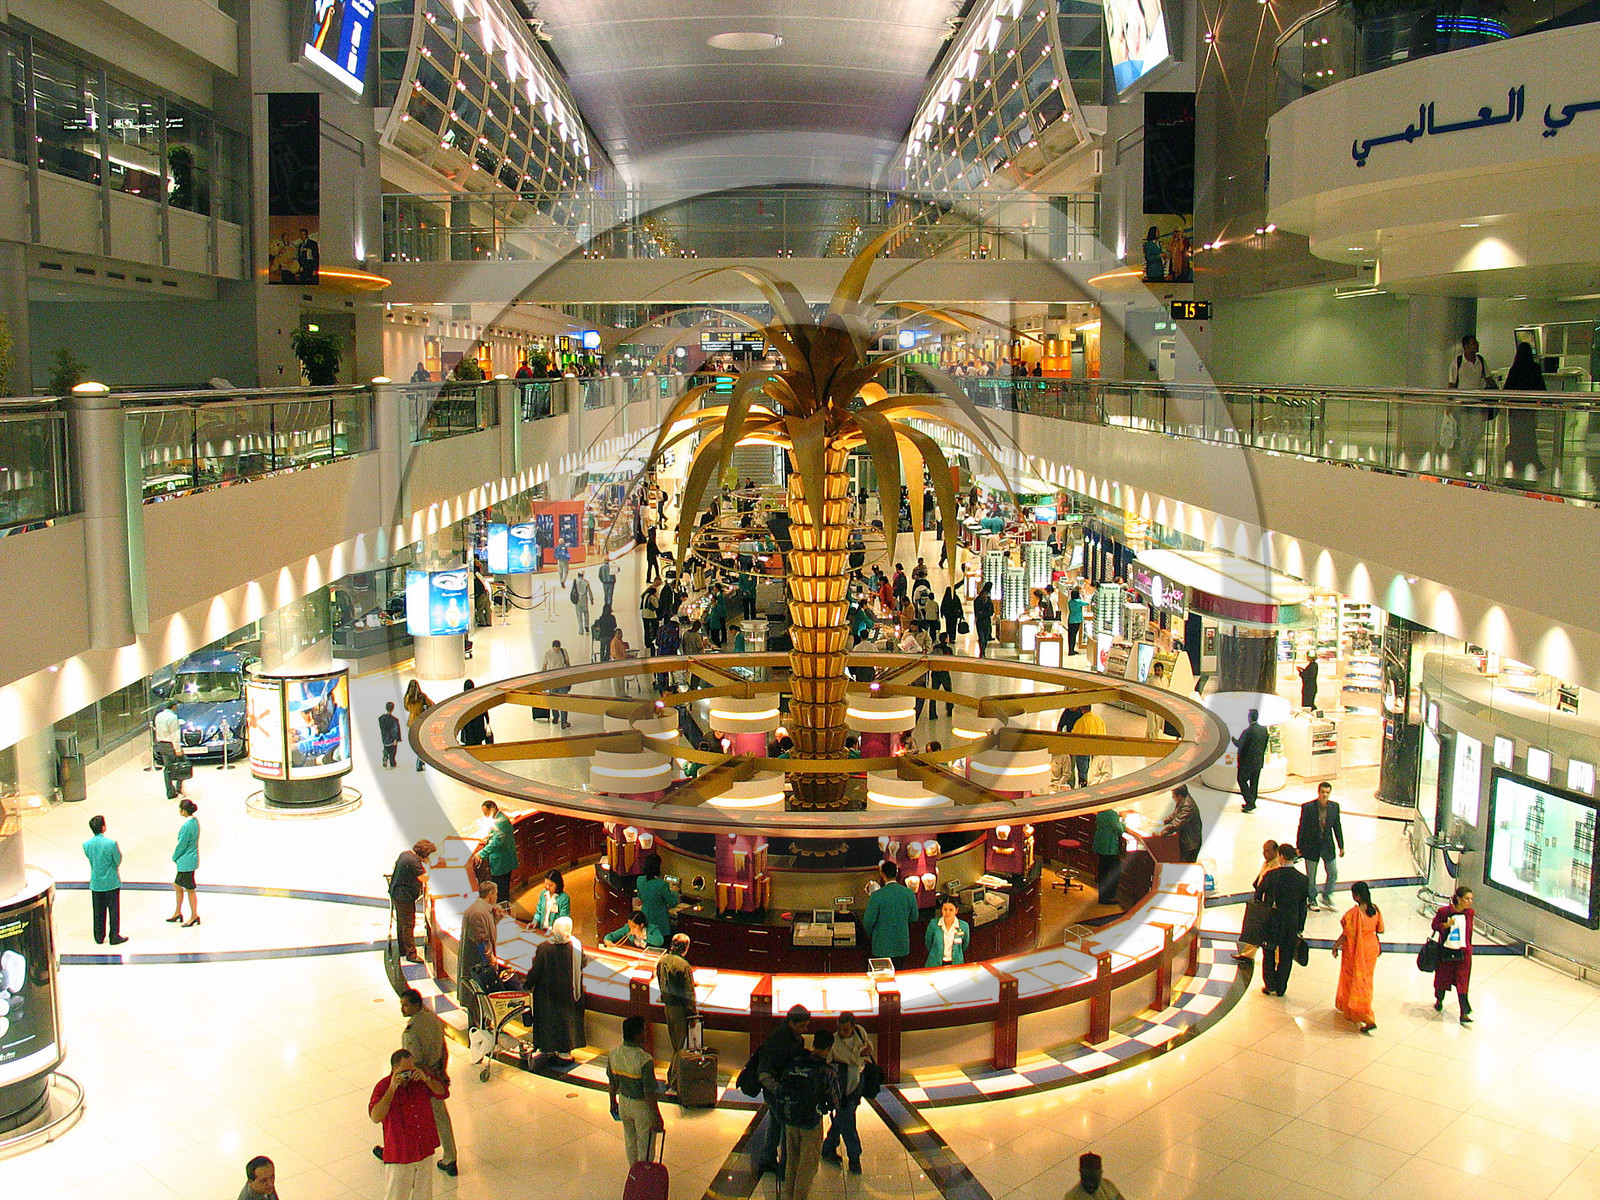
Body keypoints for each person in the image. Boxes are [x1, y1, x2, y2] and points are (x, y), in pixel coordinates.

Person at [368, 1048, 449, 1198]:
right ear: (394, 1069)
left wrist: (427, 1080)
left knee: (424, 1195)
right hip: (401, 1154)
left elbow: (442, 1093)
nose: (408, 1075)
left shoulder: (420, 1080)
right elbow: (375, 1116)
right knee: (397, 1195)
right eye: (404, 1071)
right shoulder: (383, 1087)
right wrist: (392, 1088)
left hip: (423, 1148)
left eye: (411, 1069)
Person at [398, 987, 457, 1176]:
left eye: (406, 1005)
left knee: (404, 1116)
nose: (402, 1008)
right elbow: (443, 1048)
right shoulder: (433, 1019)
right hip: (436, 1074)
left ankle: (399, 1151)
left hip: (421, 1080)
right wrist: (441, 1073)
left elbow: (413, 1062)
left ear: (416, 1005)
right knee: (441, 1117)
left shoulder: (412, 1032)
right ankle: (450, 1156)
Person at [777, 1026, 841, 1200]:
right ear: (829, 1049)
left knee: (792, 1162)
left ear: (813, 1043)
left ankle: (787, 1197)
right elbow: (836, 1101)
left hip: (791, 1119)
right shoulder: (828, 1072)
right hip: (811, 1123)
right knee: (808, 1166)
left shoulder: (796, 1063)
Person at [755, 1004, 813, 1178]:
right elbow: (765, 1072)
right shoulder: (778, 1041)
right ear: (791, 1024)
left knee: (775, 1124)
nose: (805, 1030)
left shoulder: (795, 1039)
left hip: (780, 1090)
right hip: (776, 1091)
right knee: (786, 1128)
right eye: (802, 1026)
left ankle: (767, 1160)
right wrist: (779, 1090)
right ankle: (784, 1169)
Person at [525, 915, 585, 1060]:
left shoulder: (544, 948)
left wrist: (527, 985)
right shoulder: (576, 947)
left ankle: (547, 1049)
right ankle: (565, 1053)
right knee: (566, 1025)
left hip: (546, 997)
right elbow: (583, 963)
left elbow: (535, 971)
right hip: (567, 996)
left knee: (548, 1023)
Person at [820, 1012, 873, 1174]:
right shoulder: (834, 1043)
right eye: (839, 1029)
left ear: (852, 1027)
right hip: (842, 1087)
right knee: (848, 1121)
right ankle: (854, 1158)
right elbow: (831, 1061)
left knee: (844, 1117)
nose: (841, 1032)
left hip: (857, 1082)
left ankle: (828, 1146)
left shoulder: (860, 1031)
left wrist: (867, 1049)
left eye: (845, 1029)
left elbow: (866, 1045)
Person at [607, 1014, 663, 1165]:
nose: (646, 1034)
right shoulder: (644, 1059)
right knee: (646, 1143)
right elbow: (649, 1092)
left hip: (624, 1103)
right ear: (638, 1035)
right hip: (642, 1107)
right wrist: (657, 1115)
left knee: (630, 1141)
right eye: (644, 1031)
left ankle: (633, 1172)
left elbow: (612, 1083)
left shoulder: (614, 1054)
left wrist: (613, 1102)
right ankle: (644, 1174)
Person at [1257, 843, 1308, 997]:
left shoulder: (1272, 875)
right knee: (1286, 955)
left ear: (1281, 856)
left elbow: (1258, 895)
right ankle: (1281, 987)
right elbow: (1302, 906)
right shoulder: (1302, 879)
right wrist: (1300, 926)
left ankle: (1269, 984)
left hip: (1273, 919)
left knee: (1269, 951)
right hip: (1291, 921)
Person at [1333, 881, 1384, 1033]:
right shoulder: (1375, 909)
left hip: (1355, 951)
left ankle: (1365, 1015)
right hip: (1371, 949)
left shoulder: (1352, 914)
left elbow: (1346, 935)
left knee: (1353, 979)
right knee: (1366, 980)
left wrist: (1335, 946)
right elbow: (1380, 930)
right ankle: (1355, 1010)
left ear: (1357, 896)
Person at [1447, 333, 1495, 472]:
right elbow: (1451, 383)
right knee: (1464, 433)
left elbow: (1488, 378)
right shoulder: (1457, 362)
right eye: (1474, 344)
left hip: (1476, 402)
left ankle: (1469, 453)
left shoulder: (1480, 361)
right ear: (1466, 346)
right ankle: (1465, 460)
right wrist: (1449, 403)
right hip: (1461, 403)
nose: (1477, 346)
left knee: (1478, 432)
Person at [656, 932, 696, 1095]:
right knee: (681, 1046)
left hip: (668, 1006)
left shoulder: (662, 960)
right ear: (685, 948)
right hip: (680, 1009)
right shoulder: (683, 965)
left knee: (676, 1044)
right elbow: (689, 993)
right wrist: (693, 1013)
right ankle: (674, 1083)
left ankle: (671, 1076)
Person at [1296, 781, 1345, 910]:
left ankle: (1327, 895)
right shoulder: (1308, 807)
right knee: (1311, 876)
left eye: (1327, 793)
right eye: (1322, 792)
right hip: (1311, 846)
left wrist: (1341, 845)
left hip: (1328, 846)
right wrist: (1299, 847)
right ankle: (1311, 899)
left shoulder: (1334, 807)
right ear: (1318, 792)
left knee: (1333, 872)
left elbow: (1337, 827)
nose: (1324, 795)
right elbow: (1302, 828)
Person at [1503, 339, 1547, 477]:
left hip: (1515, 410)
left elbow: (1507, 389)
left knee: (1516, 436)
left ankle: (1517, 461)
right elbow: (1541, 388)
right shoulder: (1534, 368)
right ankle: (1530, 461)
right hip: (1529, 409)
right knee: (1528, 436)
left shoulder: (1515, 369)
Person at [1432, 885, 1475, 1023]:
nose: (1469, 902)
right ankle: (1439, 999)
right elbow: (1435, 925)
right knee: (1443, 978)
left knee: (1462, 982)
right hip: (1447, 951)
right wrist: (1445, 925)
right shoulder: (1444, 912)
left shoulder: (1470, 913)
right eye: (1467, 899)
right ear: (1458, 899)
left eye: (1471, 899)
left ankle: (1464, 1012)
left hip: (1464, 953)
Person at [390, 839, 436, 964]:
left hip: (396, 892)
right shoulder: (414, 862)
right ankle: (411, 954)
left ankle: (403, 949)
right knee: (408, 924)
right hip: (404, 896)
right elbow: (424, 878)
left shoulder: (406, 854)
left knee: (402, 922)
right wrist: (428, 864)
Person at [862, 860, 917, 965]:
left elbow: (868, 921)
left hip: (881, 946)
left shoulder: (876, 896)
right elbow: (914, 917)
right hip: (901, 944)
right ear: (896, 873)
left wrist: (873, 935)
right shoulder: (909, 893)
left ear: (882, 873)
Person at [83, 815, 127, 946]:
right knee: (113, 910)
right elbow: (117, 860)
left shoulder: (86, 845)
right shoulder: (111, 843)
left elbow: (90, 859)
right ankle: (114, 935)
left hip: (96, 882)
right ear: (103, 827)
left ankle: (99, 936)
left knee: (98, 910)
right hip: (111, 881)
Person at [1233, 839, 1280, 962]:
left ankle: (1277, 960)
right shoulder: (1266, 864)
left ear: (1276, 851)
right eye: (1264, 851)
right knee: (1256, 929)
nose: (1265, 854)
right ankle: (1248, 954)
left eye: (1268, 851)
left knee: (1271, 934)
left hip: (1270, 903)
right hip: (1261, 901)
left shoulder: (1277, 867)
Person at [458, 880, 498, 1004]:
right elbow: (482, 940)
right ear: (490, 894)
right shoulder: (478, 912)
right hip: (476, 966)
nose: (497, 897)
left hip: (479, 964)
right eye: (496, 894)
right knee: (476, 1002)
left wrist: (497, 916)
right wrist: (491, 958)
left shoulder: (482, 909)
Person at [475, 800, 518, 911]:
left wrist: (481, 853)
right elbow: (494, 837)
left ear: (492, 809)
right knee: (501, 888)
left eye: (486, 813)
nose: (485, 815)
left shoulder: (501, 822)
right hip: (501, 862)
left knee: (501, 891)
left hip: (502, 863)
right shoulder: (498, 818)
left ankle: (502, 912)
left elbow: (497, 842)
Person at [635, 852, 682, 946]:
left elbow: (640, 896)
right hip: (661, 923)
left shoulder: (640, 880)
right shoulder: (662, 884)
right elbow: (672, 903)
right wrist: (675, 892)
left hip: (646, 919)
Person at [166, 798, 200, 927]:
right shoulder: (195, 822)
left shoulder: (186, 826)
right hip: (191, 860)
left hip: (186, 861)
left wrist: (175, 856)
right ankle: (178, 912)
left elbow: (182, 844)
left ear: (184, 811)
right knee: (178, 885)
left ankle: (193, 916)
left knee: (188, 888)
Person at [1233, 708, 1269, 812]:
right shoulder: (1263, 730)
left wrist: (1232, 739)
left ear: (1250, 718)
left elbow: (1239, 744)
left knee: (1242, 780)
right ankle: (1252, 800)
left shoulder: (1247, 731)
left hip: (1246, 763)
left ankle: (1249, 802)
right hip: (1258, 761)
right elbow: (1265, 744)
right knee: (1254, 782)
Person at [1158, 784, 1203, 863]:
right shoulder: (1183, 800)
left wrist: (1162, 833)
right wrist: (1162, 821)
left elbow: (1177, 823)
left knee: (1185, 866)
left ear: (1179, 796)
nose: (1172, 798)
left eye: (1173, 796)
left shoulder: (1188, 806)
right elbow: (1175, 814)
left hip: (1190, 844)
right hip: (1185, 840)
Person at [153, 699, 186, 799]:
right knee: (181, 766)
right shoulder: (172, 717)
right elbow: (174, 734)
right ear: (174, 706)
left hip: (161, 744)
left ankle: (170, 791)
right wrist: (178, 749)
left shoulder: (158, 716)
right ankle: (178, 789)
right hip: (170, 745)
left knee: (167, 768)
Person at [1092, 807, 1125, 905]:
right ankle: (1108, 896)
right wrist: (1123, 820)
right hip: (1109, 847)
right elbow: (1120, 830)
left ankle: (1102, 896)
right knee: (1115, 871)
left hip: (1100, 844)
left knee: (1103, 871)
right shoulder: (1112, 814)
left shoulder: (1101, 811)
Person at [924, 899, 970, 967]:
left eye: (951, 910)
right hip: (935, 963)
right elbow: (928, 943)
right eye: (945, 909)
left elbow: (965, 945)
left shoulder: (964, 926)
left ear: (956, 911)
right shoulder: (933, 924)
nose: (947, 912)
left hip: (956, 963)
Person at [1070, 705, 1107, 787]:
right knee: (1096, 767)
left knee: (1083, 767)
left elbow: (1074, 736)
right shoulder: (1099, 719)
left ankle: (1083, 783)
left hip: (1084, 748)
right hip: (1098, 747)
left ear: (1082, 709)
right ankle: (1096, 783)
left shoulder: (1081, 721)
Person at [542, 640, 572, 728]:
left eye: (558, 649)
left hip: (562, 680)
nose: (557, 650)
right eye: (555, 649)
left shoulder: (563, 651)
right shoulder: (548, 654)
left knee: (563, 700)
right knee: (553, 700)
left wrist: (570, 675)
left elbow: (567, 663)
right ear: (552, 647)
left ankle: (564, 721)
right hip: (552, 681)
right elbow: (544, 666)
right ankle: (555, 716)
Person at [404, 679, 433, 772]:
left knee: (416, 742)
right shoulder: (422, 697)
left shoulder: (407, 698)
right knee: (422, 743)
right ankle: (420, 761)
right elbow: (431, 704)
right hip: (420, 722)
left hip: (412, 722)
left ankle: (420, 760)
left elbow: (406, 708)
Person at [929, 632, 956, 717]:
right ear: (946, 639)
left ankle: (932, 713)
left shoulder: (936, 647)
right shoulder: (948, 650)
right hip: (944, 673)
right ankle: (950, 710)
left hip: (935, 673)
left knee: (934, 693)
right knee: (948, 692)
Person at [459, 681, 492, 747]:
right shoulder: (478, 698)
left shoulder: (463, 700)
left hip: (468, 730)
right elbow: (485, 712)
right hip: (478, 729)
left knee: (469, 747)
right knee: (478, 744)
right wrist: (487, 721)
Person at [1066, 584, 1089, 657]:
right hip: (1077, 620)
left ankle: (1071, 649)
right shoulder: (1079, 602)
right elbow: (1087, 603)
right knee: (1074, 635)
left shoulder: (1070, 602)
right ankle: (1072, 651)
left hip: (1070, 620)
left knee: (1070, 636)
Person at [379, 700, 402, 768]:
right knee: (392, 752)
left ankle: (385, 757)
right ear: (392, 709)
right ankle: (392, 763)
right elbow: (395, 730)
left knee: (386, 748)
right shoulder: (394, 720)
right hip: (391, 739)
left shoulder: (381, 718)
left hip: (384, 738)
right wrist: (395, 739)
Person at [973, 582, 994, 657]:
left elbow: (991, 611)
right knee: (982, 637)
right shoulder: (978, 601)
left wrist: (983, 613)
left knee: (985, 637)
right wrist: (985, 613)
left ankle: (983, 650)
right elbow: (977, 612)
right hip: (981, 622)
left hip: (985, 621)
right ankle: (982, 651)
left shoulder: (988, 601)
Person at [641, 582, 660, 649]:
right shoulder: (651, 597)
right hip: (650, 615)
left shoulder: (645, 595)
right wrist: (656, 598)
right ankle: (652, 639)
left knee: (646, 629)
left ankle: (647, 642)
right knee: (654, 627)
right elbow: (657, 606)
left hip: (644, 615)